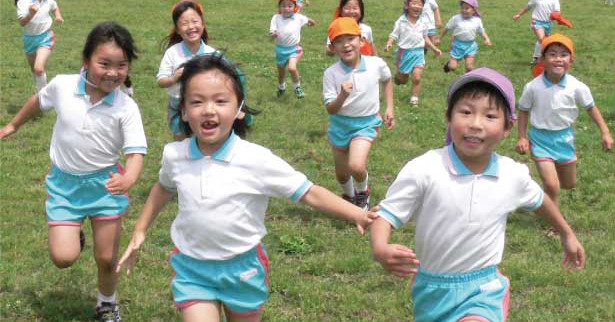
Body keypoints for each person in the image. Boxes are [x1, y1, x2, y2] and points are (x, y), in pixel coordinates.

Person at [115, 53, 375, 322]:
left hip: (243, 270)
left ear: (239, 109)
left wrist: (357, 213)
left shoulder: (255, 159)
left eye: (220, 101)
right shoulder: (174, 155)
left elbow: (309, 192)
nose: (208, 110)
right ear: (183, 110)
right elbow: (163, 188)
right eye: (196, 101)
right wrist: (140, 230)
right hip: (192, 268)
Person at [370, 67, 586, 321]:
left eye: (490, 116)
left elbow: (540, 201)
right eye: (466, 112)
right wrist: (380, 248)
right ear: (448, 118)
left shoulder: (511, 174)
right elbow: (386, 215)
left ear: (508, 127)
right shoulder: (424, 168)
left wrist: (567, 233)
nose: (475, 124)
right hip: (431, 289)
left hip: (483, 287)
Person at [0, 22, 147, 322]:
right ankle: (72, 233)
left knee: (106, 258)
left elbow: (136, 153)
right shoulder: (63, 86)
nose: (112, 73)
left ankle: (107, 303)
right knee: (63, 257)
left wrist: (130, 176)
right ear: (86, 60)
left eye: (121, 65)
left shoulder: (125, 106)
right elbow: (37, 103)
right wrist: (14, 125)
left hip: (105, 186)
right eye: (104, 63)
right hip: (65, 187)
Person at [516, 34, 613, 215]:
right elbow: (523, 111)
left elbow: (591, 108)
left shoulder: (577, 86)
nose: (558, 59)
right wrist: (522, 137)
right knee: (552, 186)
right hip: (540, 139)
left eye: (563, 54)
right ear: (542, 60)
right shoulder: (532, 87)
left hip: (564, 138)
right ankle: (554, 222)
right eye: (552, 54)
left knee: (568, 184)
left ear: (571, 59)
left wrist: (605, 132)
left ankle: (544, 199)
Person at [323, 17, 395, 210]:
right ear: (332, 47)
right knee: (342, 174)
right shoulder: (331, 74)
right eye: (339, 41)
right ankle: (348, 195)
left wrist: (389, 107)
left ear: (361, 40)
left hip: (366, 124)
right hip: (340, 125)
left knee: (356, 166)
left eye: (350, 39)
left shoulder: (376, 64)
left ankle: (362, 193)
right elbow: (330, 108)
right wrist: (342, 96)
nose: (346, 45)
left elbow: (387, 80)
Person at [157, 0, 216, 141]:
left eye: (195, 21)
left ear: (203, 24)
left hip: (203, 106)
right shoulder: (172, 53)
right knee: (181, 141)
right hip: (178, 105)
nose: (191, 27)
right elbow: (161, 80)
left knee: (203, 139)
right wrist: (174, 78)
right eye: (184, 24)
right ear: (177, 29)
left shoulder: (212, 54)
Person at [385, 0, 442, 106]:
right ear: (407, 6)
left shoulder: (423, 22)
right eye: (414, 3)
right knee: (403, 79)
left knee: (417, 77)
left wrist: (434, 48)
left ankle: (414, 99)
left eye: (420, 4)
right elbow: (394, 35)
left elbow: (425, 37)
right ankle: (398, 77)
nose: (417, 6)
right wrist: (389, 43)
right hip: (404, 53)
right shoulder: (401, 21)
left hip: (418, 52)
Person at [269, 0, 315, 99]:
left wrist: (312, 23)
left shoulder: (298, 17)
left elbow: (308, 20)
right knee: (281, 74)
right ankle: (281, 87)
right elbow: (272, 30)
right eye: (283, 6)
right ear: (279, 7)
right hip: (280, 50)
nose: (286, 8)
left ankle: (297, 87)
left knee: (292, 68)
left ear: (295, 7)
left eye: (289, 6)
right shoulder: (276, 18)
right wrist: (273, 33)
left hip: (294, 49)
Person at [15, 0, 64, 92]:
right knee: (35, 70)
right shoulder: (23, 2)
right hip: (29, 40)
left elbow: (54, 7)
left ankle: (43, 96)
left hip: (46, 37)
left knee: (38, 69)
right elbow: (22, 23)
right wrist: (31, 14)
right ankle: (42, 90)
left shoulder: (48, 1)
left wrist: (58, 16)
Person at [441, 0, 492, 73]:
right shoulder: (456, 18)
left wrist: (487, 39)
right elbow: (447, 28)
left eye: (467, 8)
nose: (464, 10)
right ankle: (448, 65)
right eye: (462, 8)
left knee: (469, 67)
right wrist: (439, 38)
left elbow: (481, 31)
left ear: (473, 10)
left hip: (470, 46)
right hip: (458, 45)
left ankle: (467, 81)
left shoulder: (477, 20)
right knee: (453, 67)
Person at [513, 0, 562, 65]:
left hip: (548, 23)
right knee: (542, 39)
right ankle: (544, 58)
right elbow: (528, 6)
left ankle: (536, 57)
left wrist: (559, 19)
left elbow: (557, 13)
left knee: (542, 41)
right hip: (537, 22)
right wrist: (519, 14)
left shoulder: (555, 1)